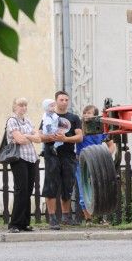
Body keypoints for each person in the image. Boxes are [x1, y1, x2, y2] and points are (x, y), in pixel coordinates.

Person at [41, 90, 82, 229]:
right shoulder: (48, 115)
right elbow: (40, 135)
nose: (64, 102)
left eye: (66, 100)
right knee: (51, 185)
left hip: (68, 155)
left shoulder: (74, 117)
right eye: (61, 100)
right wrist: (52, 138)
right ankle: (52, 218)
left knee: (67, 185)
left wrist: (65, 139)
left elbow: (79, 137)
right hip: (51, 153)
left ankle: (66, 216)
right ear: (55, 101)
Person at [5, 98, 42, 233]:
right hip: (19, 158)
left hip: (31, 158)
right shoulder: (12, 121)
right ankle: (14, 224)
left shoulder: (28, 121)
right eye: (21, 105)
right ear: (14, 106)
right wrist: (28, 136)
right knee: (21, 190)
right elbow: (19, 140)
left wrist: (26, 136)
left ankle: (24, 223)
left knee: (28, 190)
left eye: (25, 105)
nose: (23, 107)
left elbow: (38, 138)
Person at [75, 104, 117, 221]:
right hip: (81, 163)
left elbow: (112, 145)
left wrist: (104, 158)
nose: (86, 115)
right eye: (85, 112)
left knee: (100, 190)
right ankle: (88, 219)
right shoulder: (80, 128)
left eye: (89, 113)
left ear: (95, 115)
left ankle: (100, 219)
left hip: (97, 163)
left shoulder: (100, 128)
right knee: (84, 191)